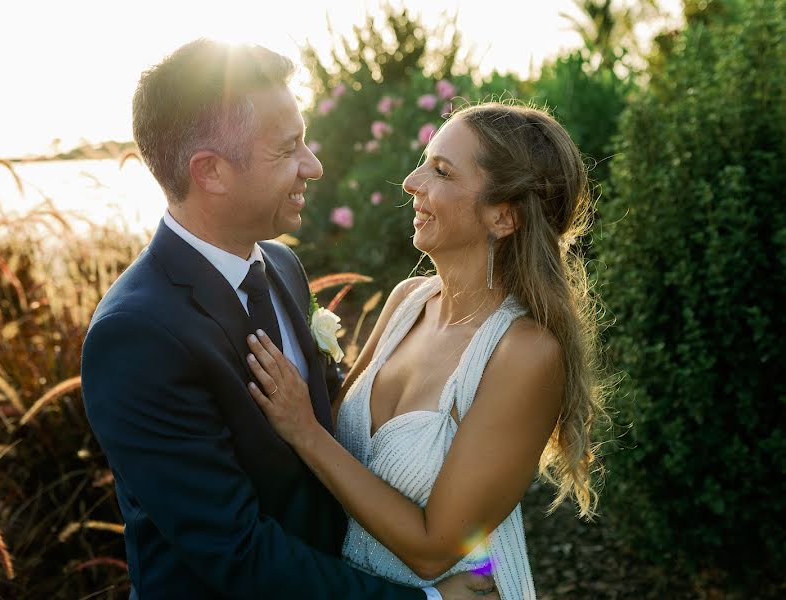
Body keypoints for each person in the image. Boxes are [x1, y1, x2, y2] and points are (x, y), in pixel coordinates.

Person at [80, 39, 496, 599]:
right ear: (212, 172)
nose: (314, 166)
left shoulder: (280, 266)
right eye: (288, 149)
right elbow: (236, 554)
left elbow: (331, 433)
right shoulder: (136, 336)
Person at [246, 102, 607, 600]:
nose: (412, 182)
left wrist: (304, 431)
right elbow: (336, 444)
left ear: (503, 216)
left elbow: (436, 548)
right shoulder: (405, 302)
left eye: (441, 171)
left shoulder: (523, 353)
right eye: (424, 161)